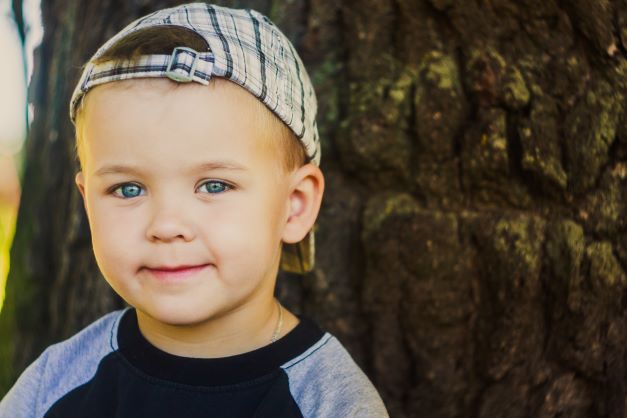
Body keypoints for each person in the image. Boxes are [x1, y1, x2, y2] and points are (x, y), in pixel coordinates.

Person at [0, 3, 388, 417]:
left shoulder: (331, 403)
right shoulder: (54, 383)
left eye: (214, 185)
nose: (167, 226)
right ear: (87, 203)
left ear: (295, 206)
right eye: (128, 188)